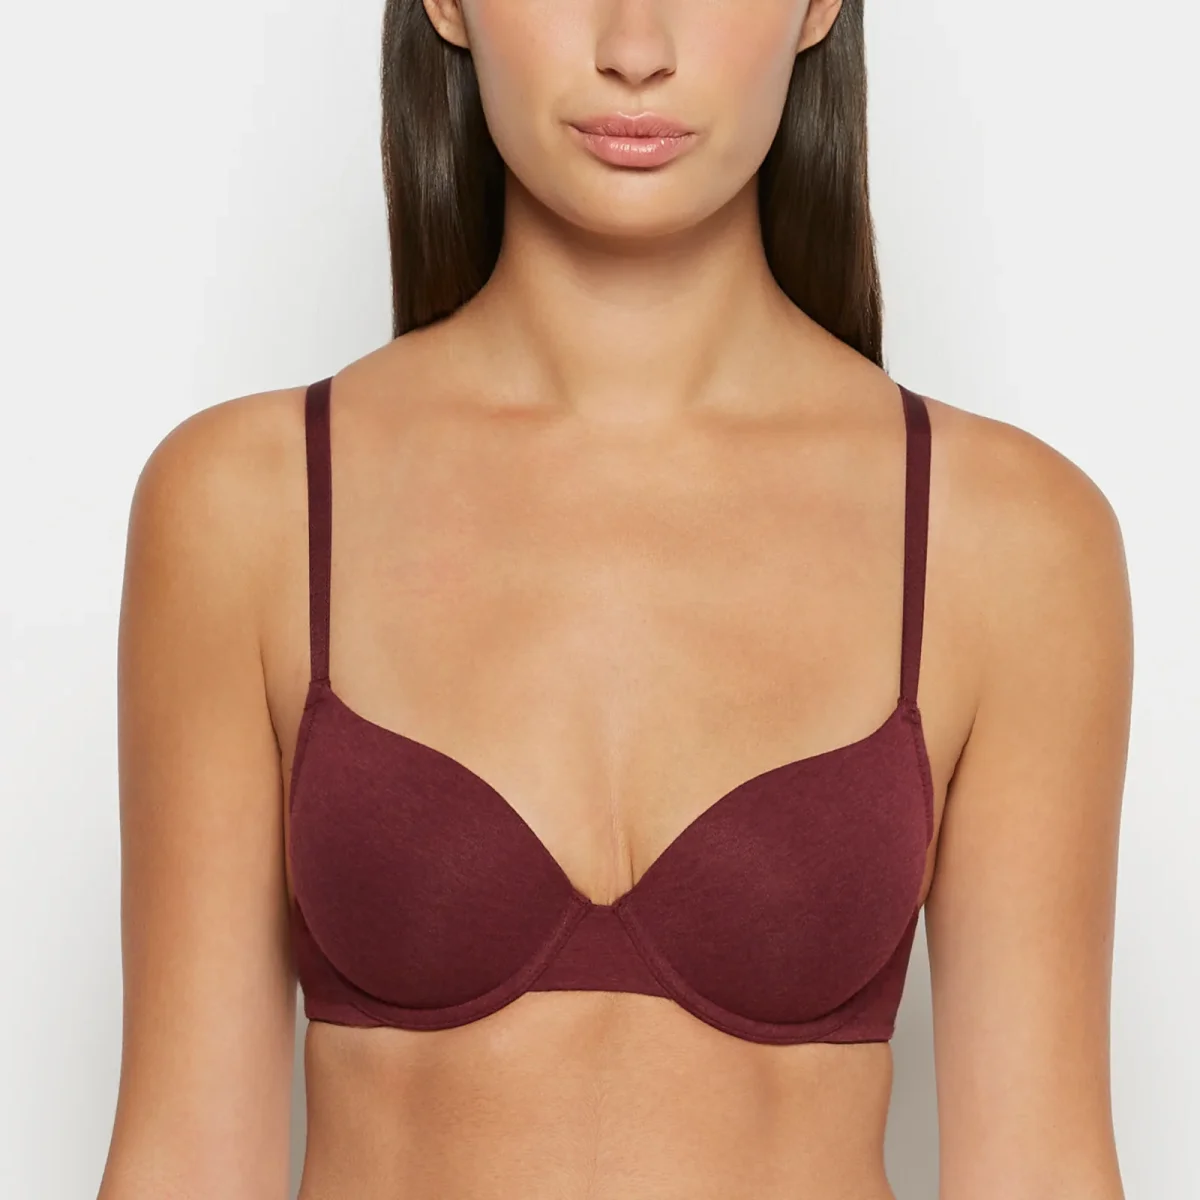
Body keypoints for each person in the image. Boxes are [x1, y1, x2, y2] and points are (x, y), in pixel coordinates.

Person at [96, 2, 1132, 1197]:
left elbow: (1042, 1169)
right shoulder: (249, 504)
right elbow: (184, 1162)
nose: (635, 46)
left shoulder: (1009, 540)